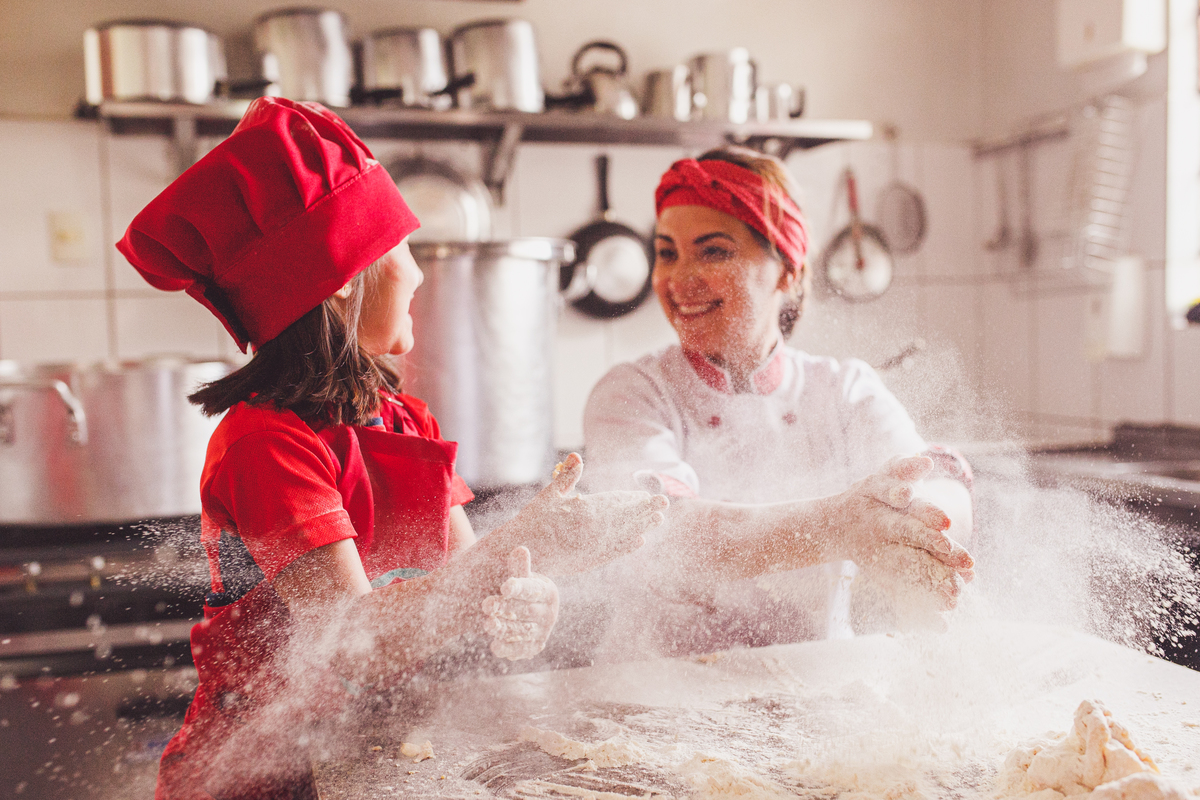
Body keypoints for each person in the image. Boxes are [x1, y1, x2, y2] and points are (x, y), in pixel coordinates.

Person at [116, 97, 668, 800]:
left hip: (381, 757)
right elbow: (356, 641)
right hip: (268, 777)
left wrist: (526, 596)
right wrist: (523, 544)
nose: (417, 272)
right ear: (342, 278)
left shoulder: (403, 418)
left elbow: (473, 580)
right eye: (401, 248)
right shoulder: (265, 444)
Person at [582, 147, 975, 656]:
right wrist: (840, 526)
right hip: (652, 697)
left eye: (713, 251)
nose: (678, 280)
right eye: (666, 252)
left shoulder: (844, 391)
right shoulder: (633, 393)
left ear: (787, 271)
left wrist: (917, 529)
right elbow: (660, 535)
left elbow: (932, 485)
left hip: (817, 692)